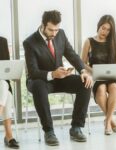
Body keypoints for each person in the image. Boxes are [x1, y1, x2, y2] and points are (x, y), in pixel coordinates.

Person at [23, 10, 93, 146]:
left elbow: (72, 55)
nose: (54, 33)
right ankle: (49, 131)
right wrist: (52, 74)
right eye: (51, 30)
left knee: (85, 82)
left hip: (60, 78)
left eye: (56, 30)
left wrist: (83, 71)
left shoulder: (60, 34)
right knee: (38, 86)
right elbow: (33, 72)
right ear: (42, 25)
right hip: (40, 80)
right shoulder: (29, 42)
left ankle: (76, 127)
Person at [82, 15, 116, 135]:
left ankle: (107, 121)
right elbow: (82, 63)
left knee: (114, 87)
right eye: (103, 28)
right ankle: (110, 120)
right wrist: (93, 71)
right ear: (98, 26)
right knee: (101, 88)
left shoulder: (114, 43)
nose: (104, 31)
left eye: (108, 30)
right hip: (96, 76)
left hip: (111, 76)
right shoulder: (89, 41)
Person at [0, 36, 19, 149]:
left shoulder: (2, 41)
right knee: (4, 89)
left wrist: (13, 74)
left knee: (3, 84)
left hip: (1, 82)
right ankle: (9, 136)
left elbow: (6, 67)